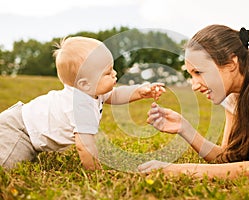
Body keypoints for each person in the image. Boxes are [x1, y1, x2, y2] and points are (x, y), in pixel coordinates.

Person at [139, 24, 249, 179]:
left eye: (199, 72)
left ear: (231, 64)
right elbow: (227, 158)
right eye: (191, 75)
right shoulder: (233, 97)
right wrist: (184, 128)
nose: (194, 85)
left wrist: (177, 170)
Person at [0, 36, 165, 170]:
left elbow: (114, 95)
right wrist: (95, 173)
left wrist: (139, 91)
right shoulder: (81, 106)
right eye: (108, 72)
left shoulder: (92, 91)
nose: (114, 74)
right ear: (85, 84)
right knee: (8, 165)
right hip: (19, 132)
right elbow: (84, 146)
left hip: (24, 126)